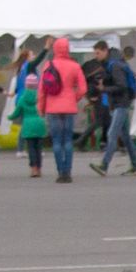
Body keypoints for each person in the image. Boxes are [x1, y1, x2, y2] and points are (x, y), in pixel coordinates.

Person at [39, 38, 88, 182]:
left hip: (52, 107)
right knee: (67, 140)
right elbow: (83, 88)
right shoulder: (75, 66)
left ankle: (60, 171)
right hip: (69, 107)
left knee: (56, 141)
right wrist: (74, 98)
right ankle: (68, 171)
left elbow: (42, 90)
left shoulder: (49, 65)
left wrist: (41, 107)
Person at [91, 46, 136, 177]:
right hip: (121, 103)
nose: (96, 56)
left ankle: (104, 165)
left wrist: (104, 88)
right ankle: (135, 166)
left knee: (112, 133)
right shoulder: (114, 63)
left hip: (121, 104)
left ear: (105, 51)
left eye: (98, 52)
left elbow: (121, 86)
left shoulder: (114, 66)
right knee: (125, 137)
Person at [10, 75, 48, 178]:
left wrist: (9, 117)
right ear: (36, 85)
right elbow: (45, 108)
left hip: (28, 125)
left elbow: (17, 112)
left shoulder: (22, 98)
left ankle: (33, 168)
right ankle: (39, 168)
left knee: (31, 148)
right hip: (39, 124)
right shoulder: (40, 96)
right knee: (39, 148)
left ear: (26, 85)